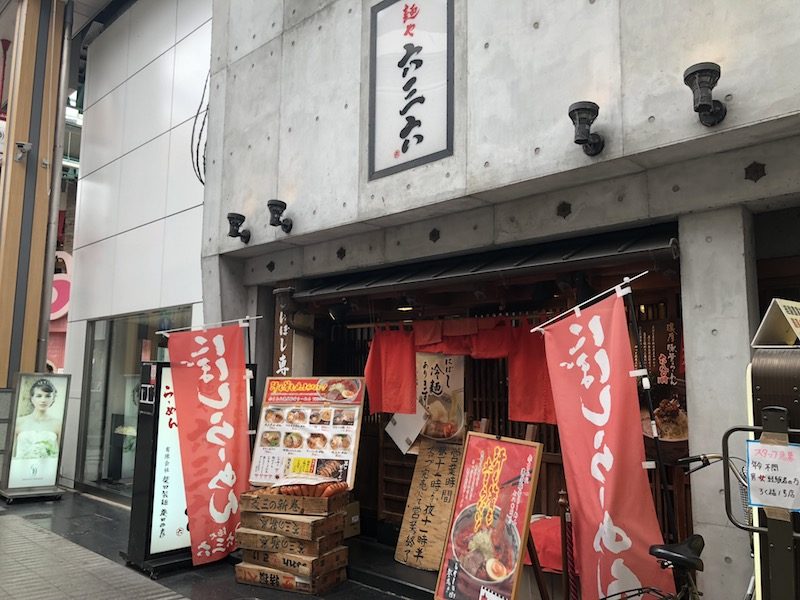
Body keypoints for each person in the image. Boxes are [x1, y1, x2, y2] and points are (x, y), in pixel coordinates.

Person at [12, 378, 61, 459]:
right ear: (32, 398)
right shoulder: (19, 422)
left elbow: (58, 455)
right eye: (39, 396)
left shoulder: (58, 424)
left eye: (47, 396)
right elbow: (11, 454)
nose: (43, 400)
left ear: (53, 399)